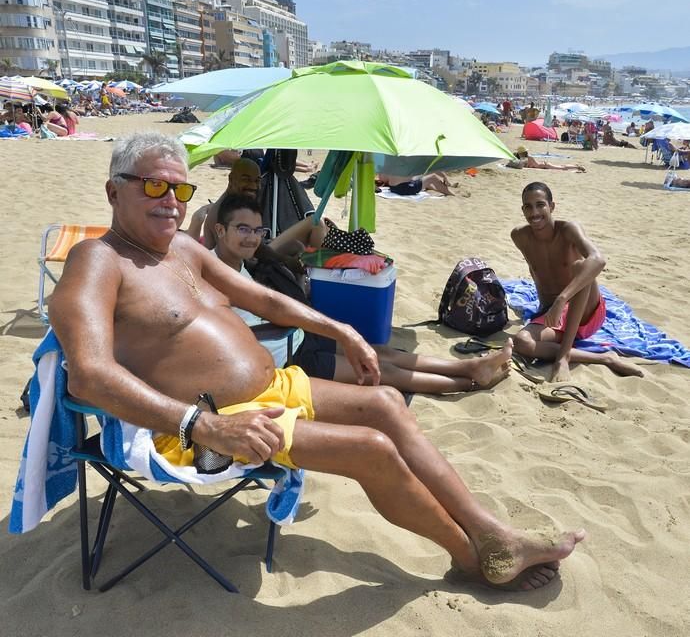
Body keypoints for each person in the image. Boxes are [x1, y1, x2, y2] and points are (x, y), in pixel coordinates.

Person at [49, 132, 585, 591]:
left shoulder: (180, 251)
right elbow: (90, 375)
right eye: (154, 186)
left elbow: (264, 299)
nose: (171, 200)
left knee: (385, 403)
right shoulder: (98, 261)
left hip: (274, 388)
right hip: (204, 426)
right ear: (113, 190)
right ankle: (470, 562)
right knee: (372, 449)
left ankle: (489, 533)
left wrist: (340, 329)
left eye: (181, 189)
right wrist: (206, 424)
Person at [214, 193, 512, 394]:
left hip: (298, 337)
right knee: (379, 373)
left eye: (257, 231)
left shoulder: (242, 264)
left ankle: (468, 365)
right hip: (288, 359)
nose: (252, 238)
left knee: (378, 352)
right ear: (219, 231)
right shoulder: (212, 272)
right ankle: (467, 382)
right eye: (243, 229)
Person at [511, 182, 644, 382]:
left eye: (540, 205)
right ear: (523, 210)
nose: (535, 212)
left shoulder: (568, 230)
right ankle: (605, 358)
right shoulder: (520, 236)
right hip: (553, 318)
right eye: (528, 207)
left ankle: (563, 358)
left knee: (582, 266)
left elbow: (598, 259)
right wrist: (549, 306)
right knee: (522, 343)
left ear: (552, 206)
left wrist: (562, 299)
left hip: (585, 312)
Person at [195, 157, 328, 257]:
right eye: (246, 179)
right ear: (231, 179)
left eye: (257, 181)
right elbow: (235, 254)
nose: (253, 186)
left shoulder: (236, 202)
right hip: (249, 261)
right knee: (315, 223)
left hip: (254, 252)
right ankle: (315, 271)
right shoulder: (223, 210)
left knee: (299, 244)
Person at [508, 147, 586, 173]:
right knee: (562, 167)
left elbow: (516, 163)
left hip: (545, 165)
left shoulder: (527, 158)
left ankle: (577, 167)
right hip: (544, 165)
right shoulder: (526, 158)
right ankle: (576, 166)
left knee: (563, 168)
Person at [378, 171, 455, 196]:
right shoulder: (413, 161)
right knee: (433, 177)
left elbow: (383, 179)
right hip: (405, 189)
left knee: (422, 179)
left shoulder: (393, 162)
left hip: (393, 188)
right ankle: (451, 193)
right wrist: (445, 177)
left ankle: (430, 187)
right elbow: (434, 169)